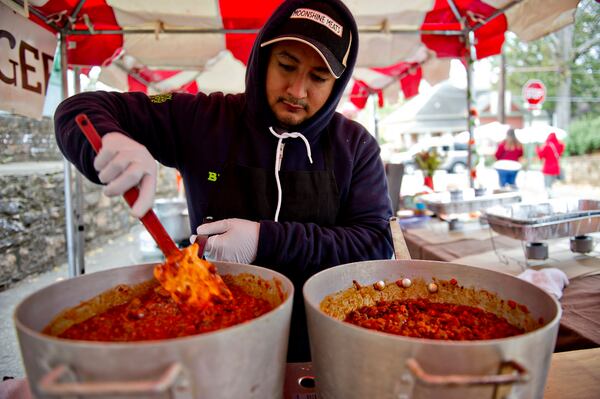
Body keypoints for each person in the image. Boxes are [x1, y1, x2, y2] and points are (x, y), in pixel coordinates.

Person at [54, 0, 394, 362]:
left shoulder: (355, 146)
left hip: (320, 344)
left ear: (337, 83)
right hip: (212, 338)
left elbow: (374, 243)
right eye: (286, 66)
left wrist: (267, 240)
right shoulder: (203, 117)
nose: (297, 90)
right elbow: (81, 108)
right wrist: (110, 139)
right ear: (263, 59)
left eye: (318, 77)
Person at [536, 132, 565, 196]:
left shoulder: (547, 146)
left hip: (548, 168)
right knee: (551, 184)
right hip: (555, 167)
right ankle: (550, 194)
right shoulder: (558, 145)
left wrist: (537, 149)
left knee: (547, 185)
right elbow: (563, 146)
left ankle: (549, 195)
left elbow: (541, 155)